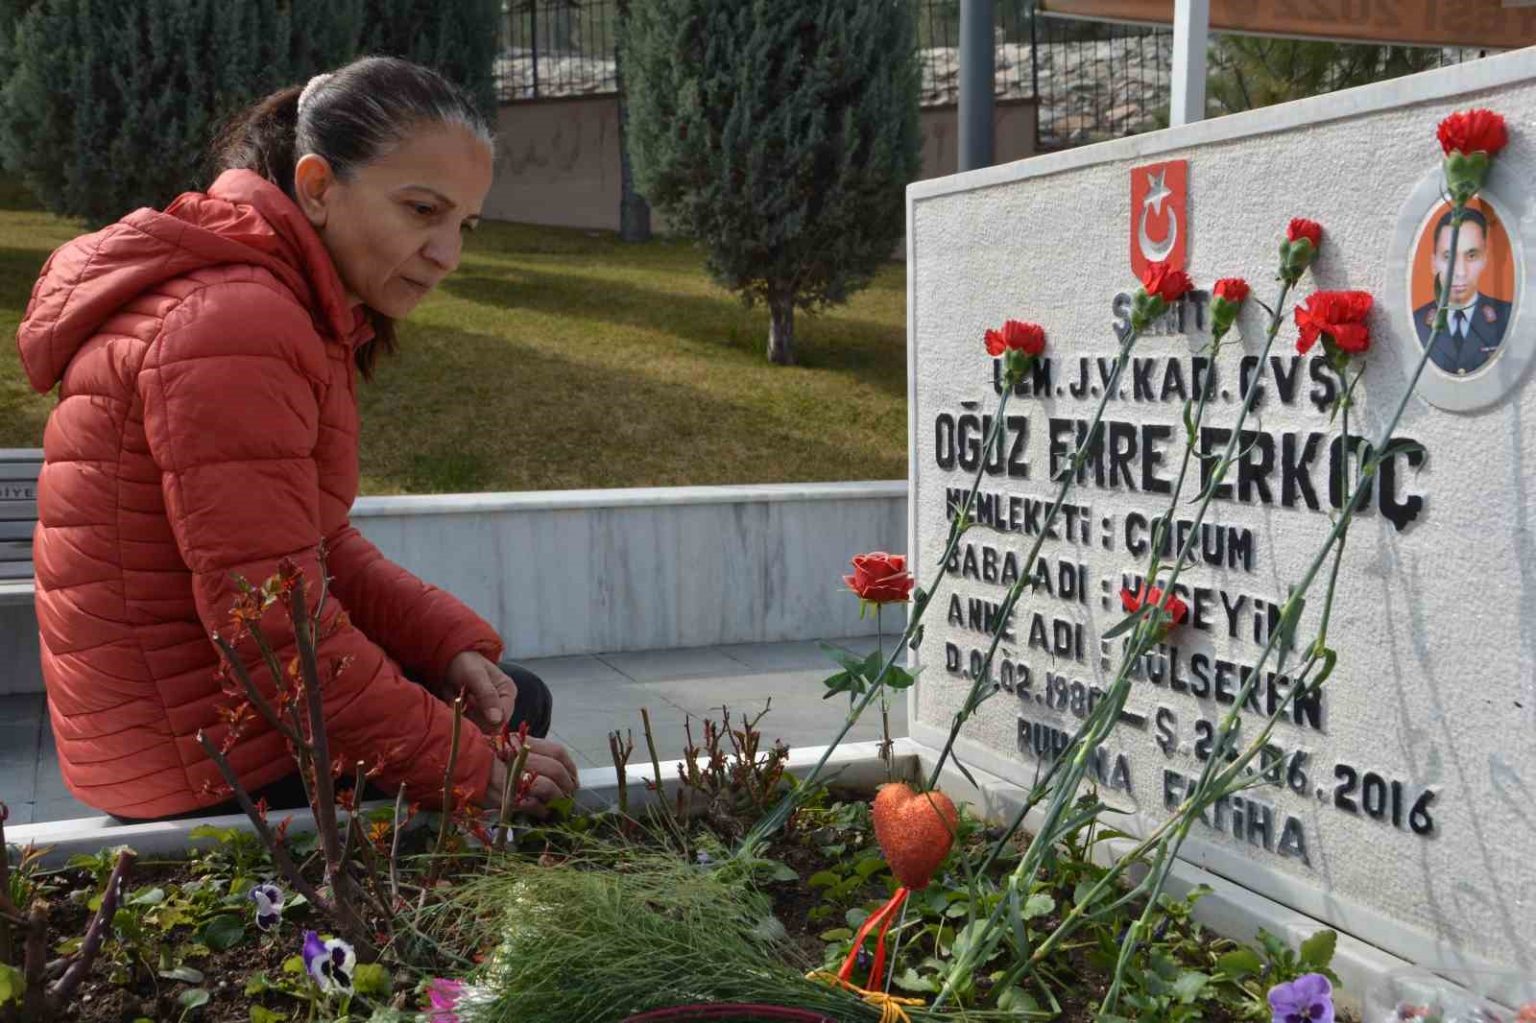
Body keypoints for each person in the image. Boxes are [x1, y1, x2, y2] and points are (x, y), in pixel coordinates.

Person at [14, 57, 579, 821]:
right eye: (422, 210)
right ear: (316, 187)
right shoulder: (236, 319)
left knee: (499, 694)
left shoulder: (266, 296)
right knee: (511, 723)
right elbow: (274, 624)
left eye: (464, 225)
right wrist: (466, 767)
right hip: (197, 758)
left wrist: (448, 644)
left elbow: (310, 541)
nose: (447, 254)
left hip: (172, 730)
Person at [1413, 207, 1512, 376]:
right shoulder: (1416, 325)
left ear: (1484, 259)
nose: (1460, 272)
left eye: (1471, 256)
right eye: (1448, 257)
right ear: (1433, 263)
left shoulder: (1507, 317)